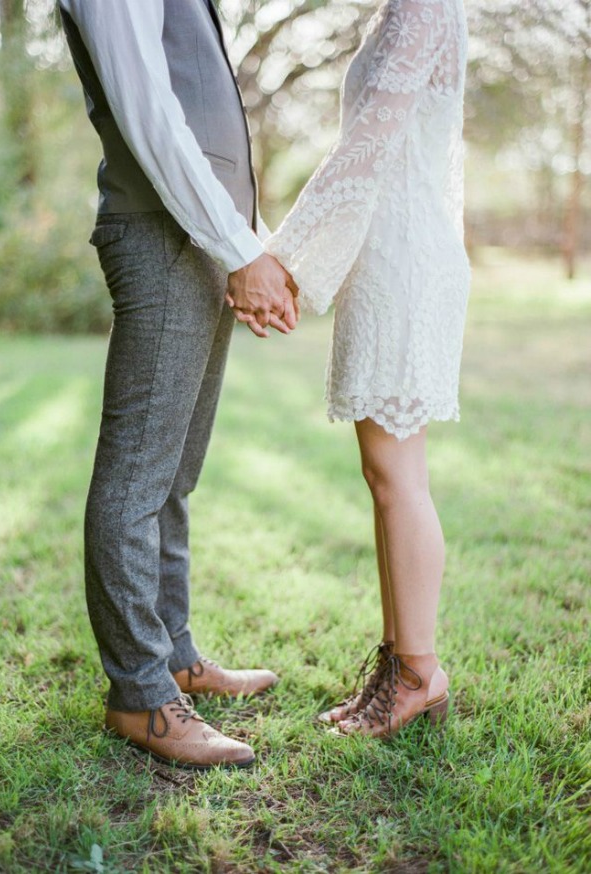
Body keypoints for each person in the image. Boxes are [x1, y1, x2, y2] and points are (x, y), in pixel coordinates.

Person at [58, 0, 299, 770]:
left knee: (173, 476)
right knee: (137, 478)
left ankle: (174, 657)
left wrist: (244, 244)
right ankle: (140, 696)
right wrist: (236, 246)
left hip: (199, 237)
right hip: (164, 232)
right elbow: (148, 108)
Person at [250, 0, 471, 738]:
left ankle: (418, 673)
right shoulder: (397, 11)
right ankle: (399, 664)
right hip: (386, 259)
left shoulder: (424, 7)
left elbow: (367, 145)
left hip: (403, 262)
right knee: (386, 476)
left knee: (399, 476)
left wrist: (283, 258)